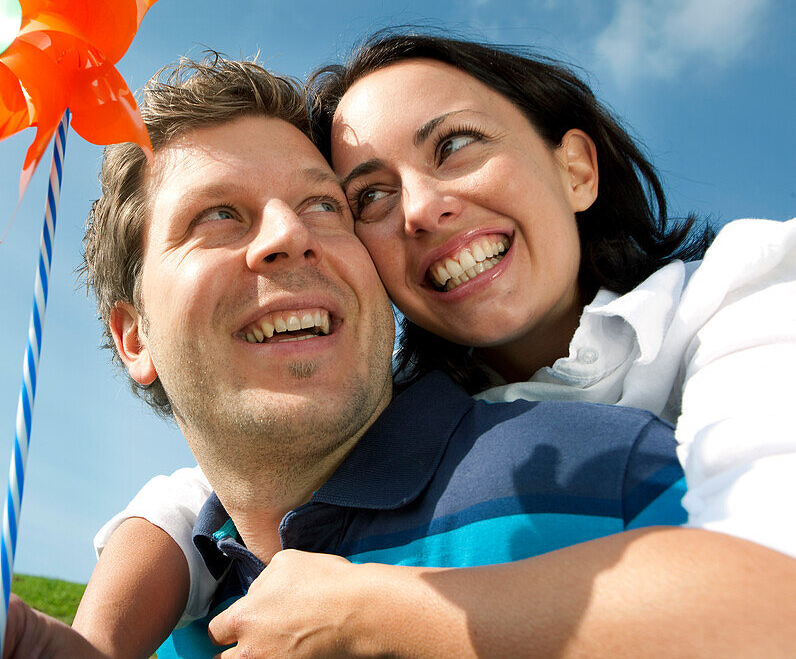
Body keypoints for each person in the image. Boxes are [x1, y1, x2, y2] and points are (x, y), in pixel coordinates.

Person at [0, 55, 693, 659]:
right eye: (218, 215)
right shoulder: (160, 623)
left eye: (324, 205)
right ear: (136, 337)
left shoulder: (613, 471)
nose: (287, 236)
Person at [84, 34, 796, 657]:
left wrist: (377, 608)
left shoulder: (738, 301)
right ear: (133, 335)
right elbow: (202, 493)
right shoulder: (200, 573)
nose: (421, 209)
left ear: (576, 168)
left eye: (454, 145)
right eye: (369, 197)